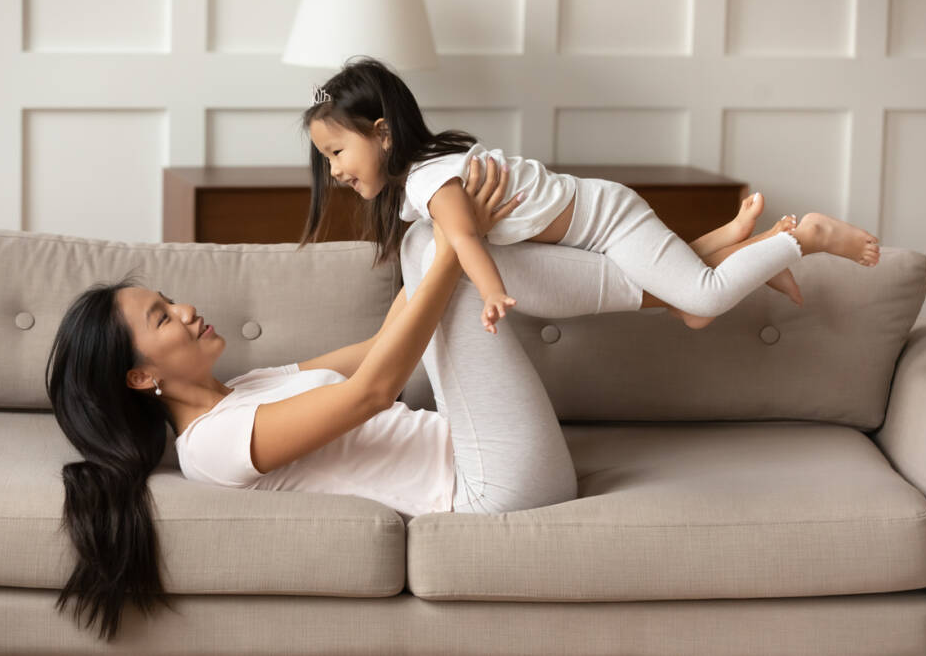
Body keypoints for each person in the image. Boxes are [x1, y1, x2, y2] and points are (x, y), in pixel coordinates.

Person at [44, 156, 791, 642]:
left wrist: (457, 230)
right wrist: (456, 246)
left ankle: (695, 276)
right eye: (161, 318)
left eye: (170, 299)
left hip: (488, 450)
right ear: (140, 377)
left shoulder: (246, 387)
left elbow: (383, 340)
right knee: (450, 257)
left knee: (435, 246)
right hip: (493, 489)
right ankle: (693, 276)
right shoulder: (211, 444)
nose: (185, 310)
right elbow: (372, 390)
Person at [299, 56, 881, 333]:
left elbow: (465, 237)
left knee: (700, 304)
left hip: (608, 221)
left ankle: (806, 238)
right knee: (688, 306)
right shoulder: (414, 186)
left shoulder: (429, 178)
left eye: (337, 153)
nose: (335, 172)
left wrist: (494, 291)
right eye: (326, 159)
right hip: (596, 223)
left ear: (383, 133)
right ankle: (749, 250)